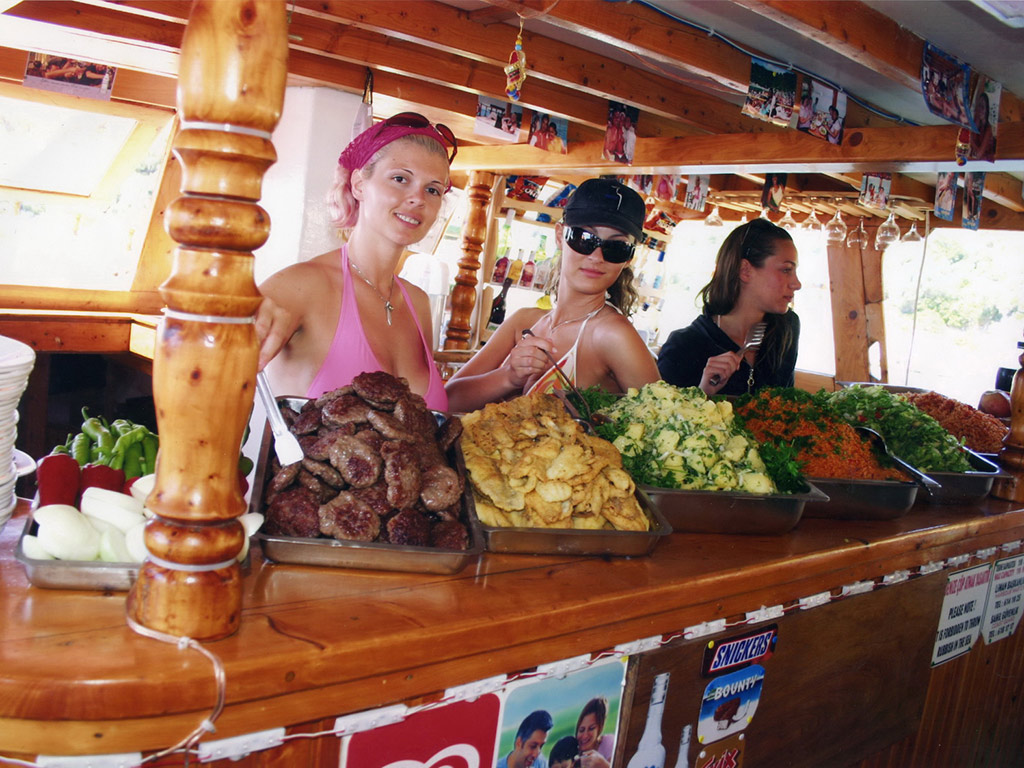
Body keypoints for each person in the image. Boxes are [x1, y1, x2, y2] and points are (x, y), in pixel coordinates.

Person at [256, 112, 457, 410]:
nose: (418, 199)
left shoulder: (419, 303)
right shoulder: (302, 286)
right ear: (359, 184)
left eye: (433, 189)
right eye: (400, 179)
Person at [446, 178, 660, 412]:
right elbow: (447, 400)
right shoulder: (523, 322)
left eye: (616, 248)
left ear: (629, 258)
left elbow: (663, 424)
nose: (597, 257)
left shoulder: (614, 336)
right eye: (584, 238)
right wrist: (508, 376)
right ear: (560, 236)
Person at [657, 218, 802, 396]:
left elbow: (786, 404)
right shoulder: (683, 347)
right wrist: (704, 392)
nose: (797, 284)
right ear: (745, 270)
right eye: (786, 270)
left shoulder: (787, 327)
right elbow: (661, 412)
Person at [575, 697, 614, 768]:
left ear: (600, 729)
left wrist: (604, 765)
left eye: (591, 728)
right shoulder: (574, 755)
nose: (585, 735)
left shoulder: (608, 742)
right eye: (581, 730)